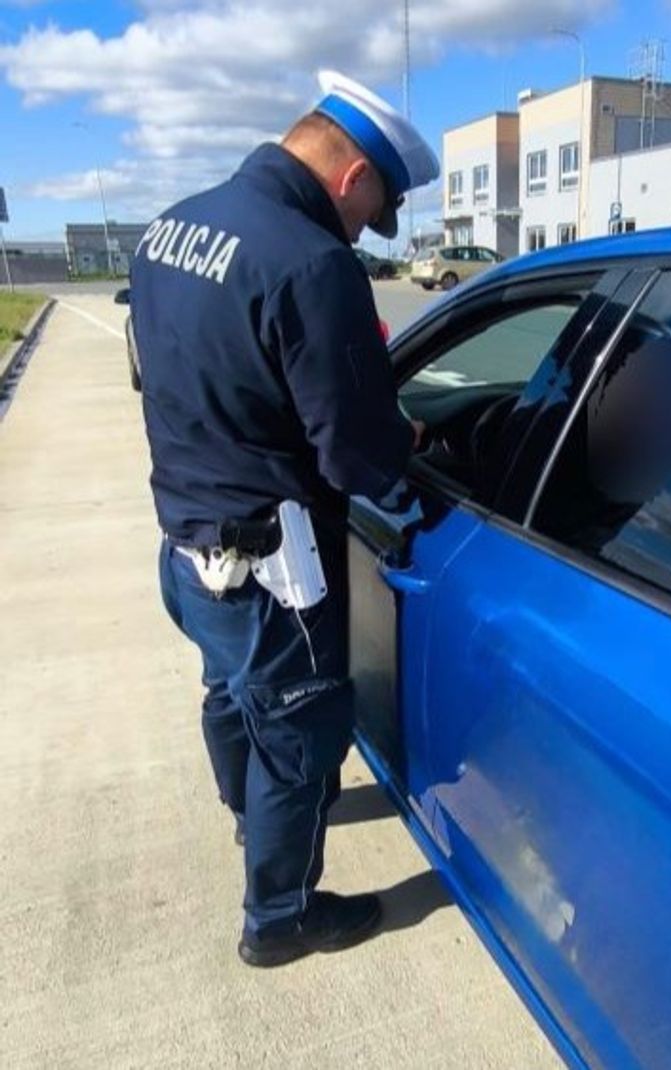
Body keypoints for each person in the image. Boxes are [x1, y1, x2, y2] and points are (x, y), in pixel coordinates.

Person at [130, 69, 438, 968]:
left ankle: (246, 816)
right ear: (351, 180)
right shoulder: (310, 262)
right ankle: (281, 918)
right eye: (369, 213)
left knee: (230, 693)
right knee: (302, 732)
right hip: (270, 565)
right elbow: (356, 455)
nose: (361, 233)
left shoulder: (170, 227)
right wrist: (408, 446)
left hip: (186, 546)